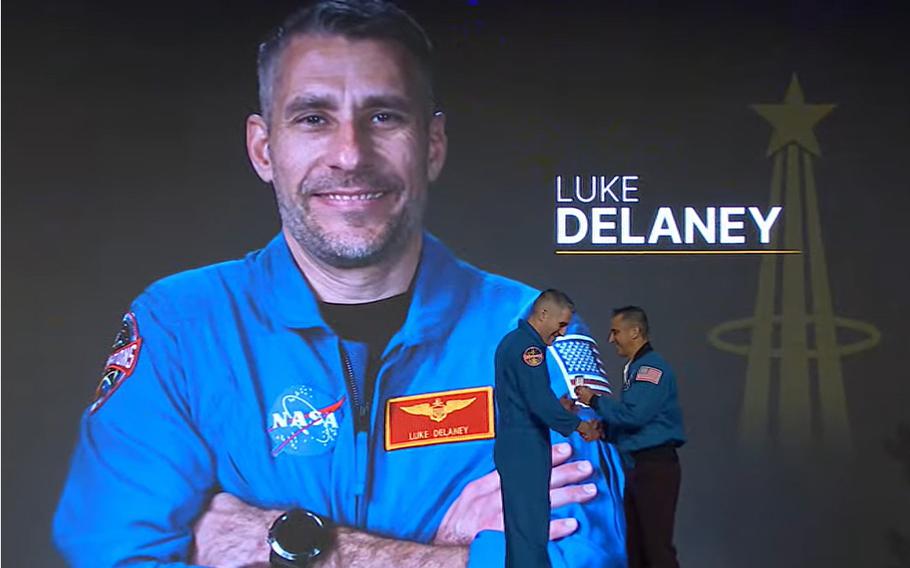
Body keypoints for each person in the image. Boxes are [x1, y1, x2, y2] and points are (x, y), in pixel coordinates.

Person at [52, 2, 627, 567]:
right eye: (313, 118)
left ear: (432, 144)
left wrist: (288, 544)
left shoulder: (536, 334)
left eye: (384, 116)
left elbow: (580, 558)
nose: (350, 154)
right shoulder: (180, 327)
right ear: (263, 149)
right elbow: (112, 553)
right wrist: (450, 548)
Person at [494, 289, 600, 568]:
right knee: (531, 527)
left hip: (516, 444)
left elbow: (525, 397)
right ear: (543, 315)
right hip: (524, 447)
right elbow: (538, 400)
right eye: (561, 324)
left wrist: (559, 407)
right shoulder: (530, 349)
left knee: (524, 528)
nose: (563, 333)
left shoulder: (512, 342)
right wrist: (578, 425)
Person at [574, 306, 686, 568]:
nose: (611, 339)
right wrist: (603, 431)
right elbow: (634, 423)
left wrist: (594, 400)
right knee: (638, 549)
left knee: (656, 548)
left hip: (653, 467)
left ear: (635, 332)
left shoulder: (650, 369)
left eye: (616, 332)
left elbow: (635, 415)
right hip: (639, 467)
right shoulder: (637, 368)